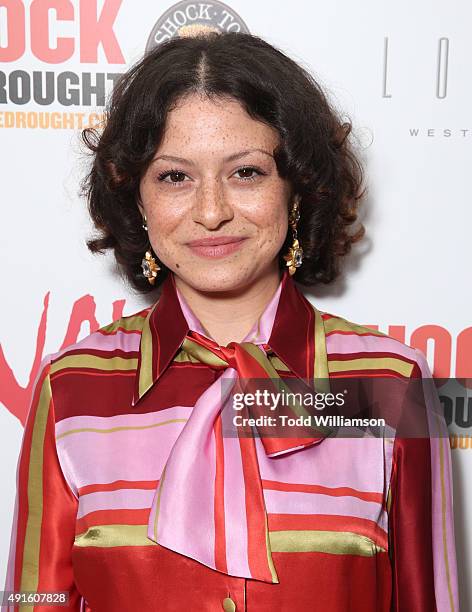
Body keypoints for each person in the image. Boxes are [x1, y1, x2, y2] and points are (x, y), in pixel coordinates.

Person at [3, 32, 458, 612]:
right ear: (136, 199)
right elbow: (32, 598)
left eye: (246, 172)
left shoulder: (391, 384)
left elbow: (431, 599)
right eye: (175, 177)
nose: (212, 211)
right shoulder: (72, 388)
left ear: (296, 190)